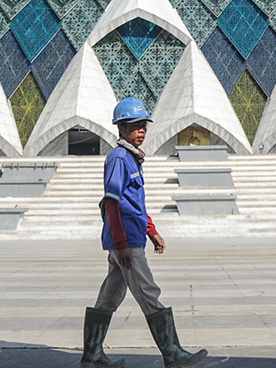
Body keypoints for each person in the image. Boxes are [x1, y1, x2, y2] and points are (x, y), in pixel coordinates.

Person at [81, 98, 207, 368]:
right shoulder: (119, 159)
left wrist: (152, 231)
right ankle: (172, 353)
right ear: (121, 130)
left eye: (143, 126)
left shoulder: (132, 159)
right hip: (125, 242)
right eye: (134, 126)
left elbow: (134, 204)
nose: (141, 131)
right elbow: (113, 201)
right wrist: (123, 243)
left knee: (109, 297)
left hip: (129, 238)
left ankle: (92, 355)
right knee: (149, 293)